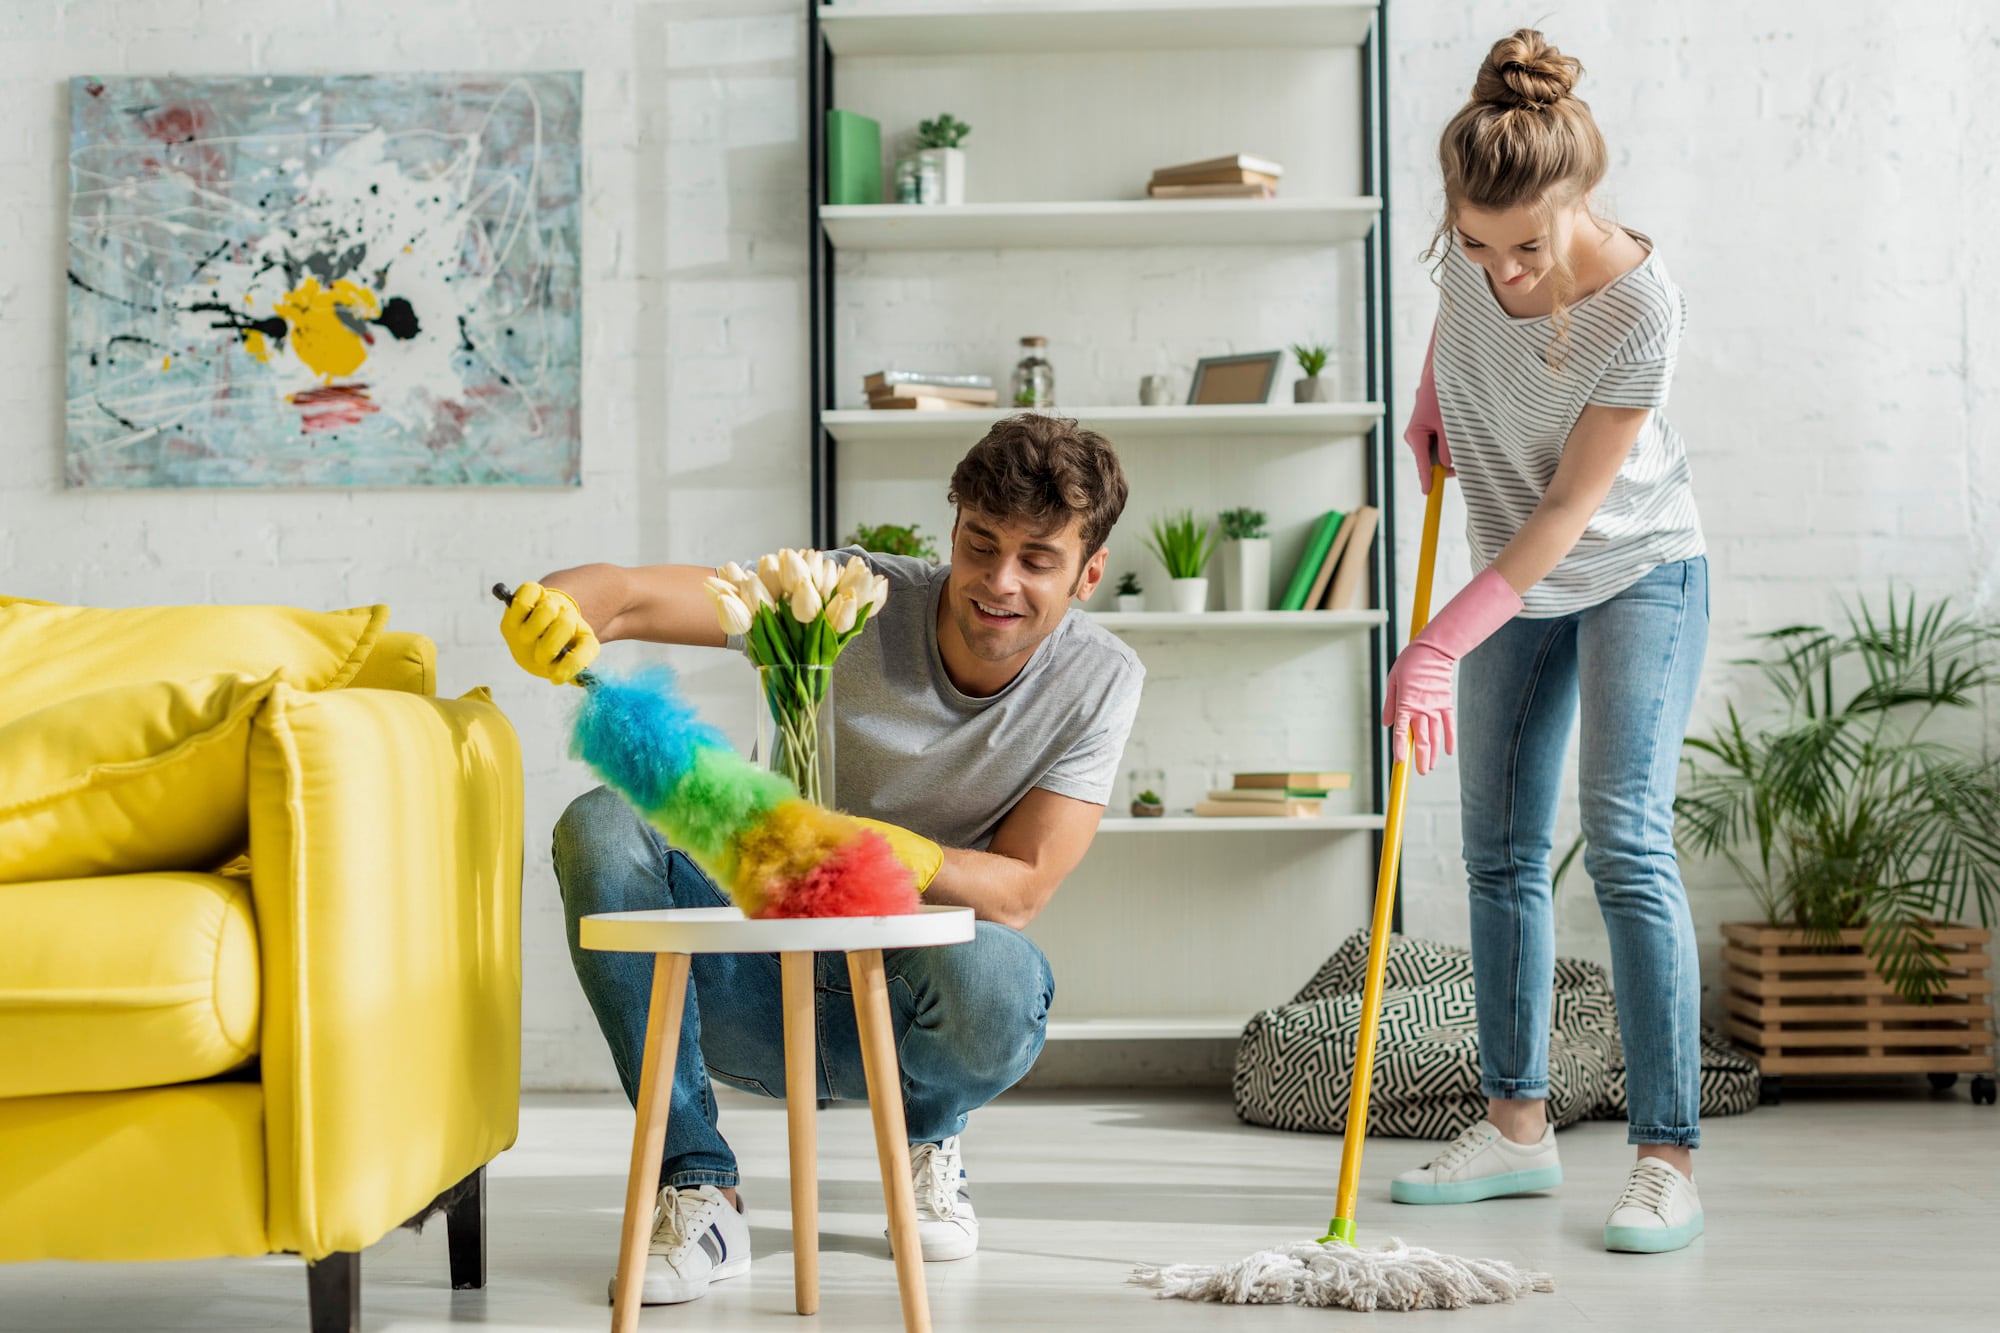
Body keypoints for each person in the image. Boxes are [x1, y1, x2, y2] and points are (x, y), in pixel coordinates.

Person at [499, 414, 1143, 1305]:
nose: (999, 582)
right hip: (751, 976)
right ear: (952, 530)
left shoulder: (1100, 678)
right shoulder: (849, 597)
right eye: (980, 545)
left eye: (1037, 559)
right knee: (601, 822)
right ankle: (697, 1185)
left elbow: (1023, 886)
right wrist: (559, 604)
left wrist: (899, 854)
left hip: (908, 1004)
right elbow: (634, 595)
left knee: (1003, 978)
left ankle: (928, 1132)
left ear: (1088, 572)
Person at [1380, 30, 1710, 1255]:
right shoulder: (1472, 246)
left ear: (1579, 195)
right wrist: (1432, 394)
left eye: (1527, 247)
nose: (1504, 270)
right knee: (1499, 850)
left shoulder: (1639, 305)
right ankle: (1514, 1128)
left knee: (1622, 841)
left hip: (1632, 571)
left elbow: (1568, 512)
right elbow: (1459, 317)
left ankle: (1665, 1157)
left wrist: (1434, 646)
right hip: (1512, 573)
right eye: (1476, 244)